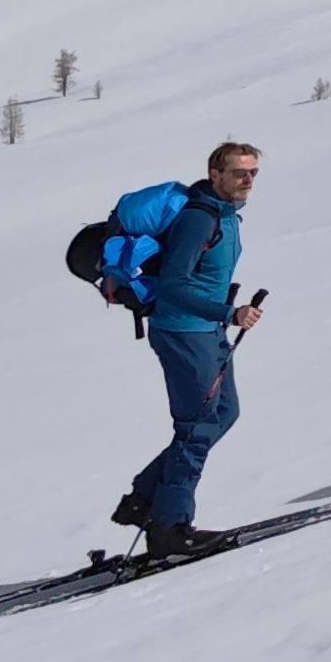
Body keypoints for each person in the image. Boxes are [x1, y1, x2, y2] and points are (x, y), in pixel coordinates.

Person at [111, 142, 264, 558]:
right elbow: (175, 286)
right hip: (183, 332)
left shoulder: (225, 216)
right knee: (195, 428)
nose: (248, 180)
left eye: (253, 172)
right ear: (215, 174)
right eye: (238, 172)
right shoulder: (199, 219)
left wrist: (221, 317)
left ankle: (145, 498)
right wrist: (230, 313)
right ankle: (169, 528)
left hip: (205, 331)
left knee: (225, 413)